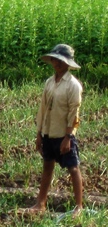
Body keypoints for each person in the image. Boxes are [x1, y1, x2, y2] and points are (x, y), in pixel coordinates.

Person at [26, 44, 83, 215]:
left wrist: (68, 137)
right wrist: (39, 133)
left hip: (63, 134)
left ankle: (79, 207)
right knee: (47, 166)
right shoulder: (49, 83)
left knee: (73, 168)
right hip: (48, 132)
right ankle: (40, 203)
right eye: (54, 60)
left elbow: (74, 114)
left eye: (60, 61)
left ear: (67, 64)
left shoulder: (73, 85)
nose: (56, 63)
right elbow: (43, 109)